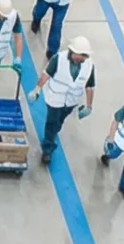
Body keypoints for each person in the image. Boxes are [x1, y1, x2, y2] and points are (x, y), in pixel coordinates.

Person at [37, 36, 98, 166]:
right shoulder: (58, 59)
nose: (81, 58)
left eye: (84, 56)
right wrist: (37, 88)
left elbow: (90, 86)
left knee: (60, 121)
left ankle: (53, 133)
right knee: (52, 122)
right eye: (80, 55)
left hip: (71, 101)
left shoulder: (89, 65)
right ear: (72, 51)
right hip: (55, 98)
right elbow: (46, 74)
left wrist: (89, 105)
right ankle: (47, 149)